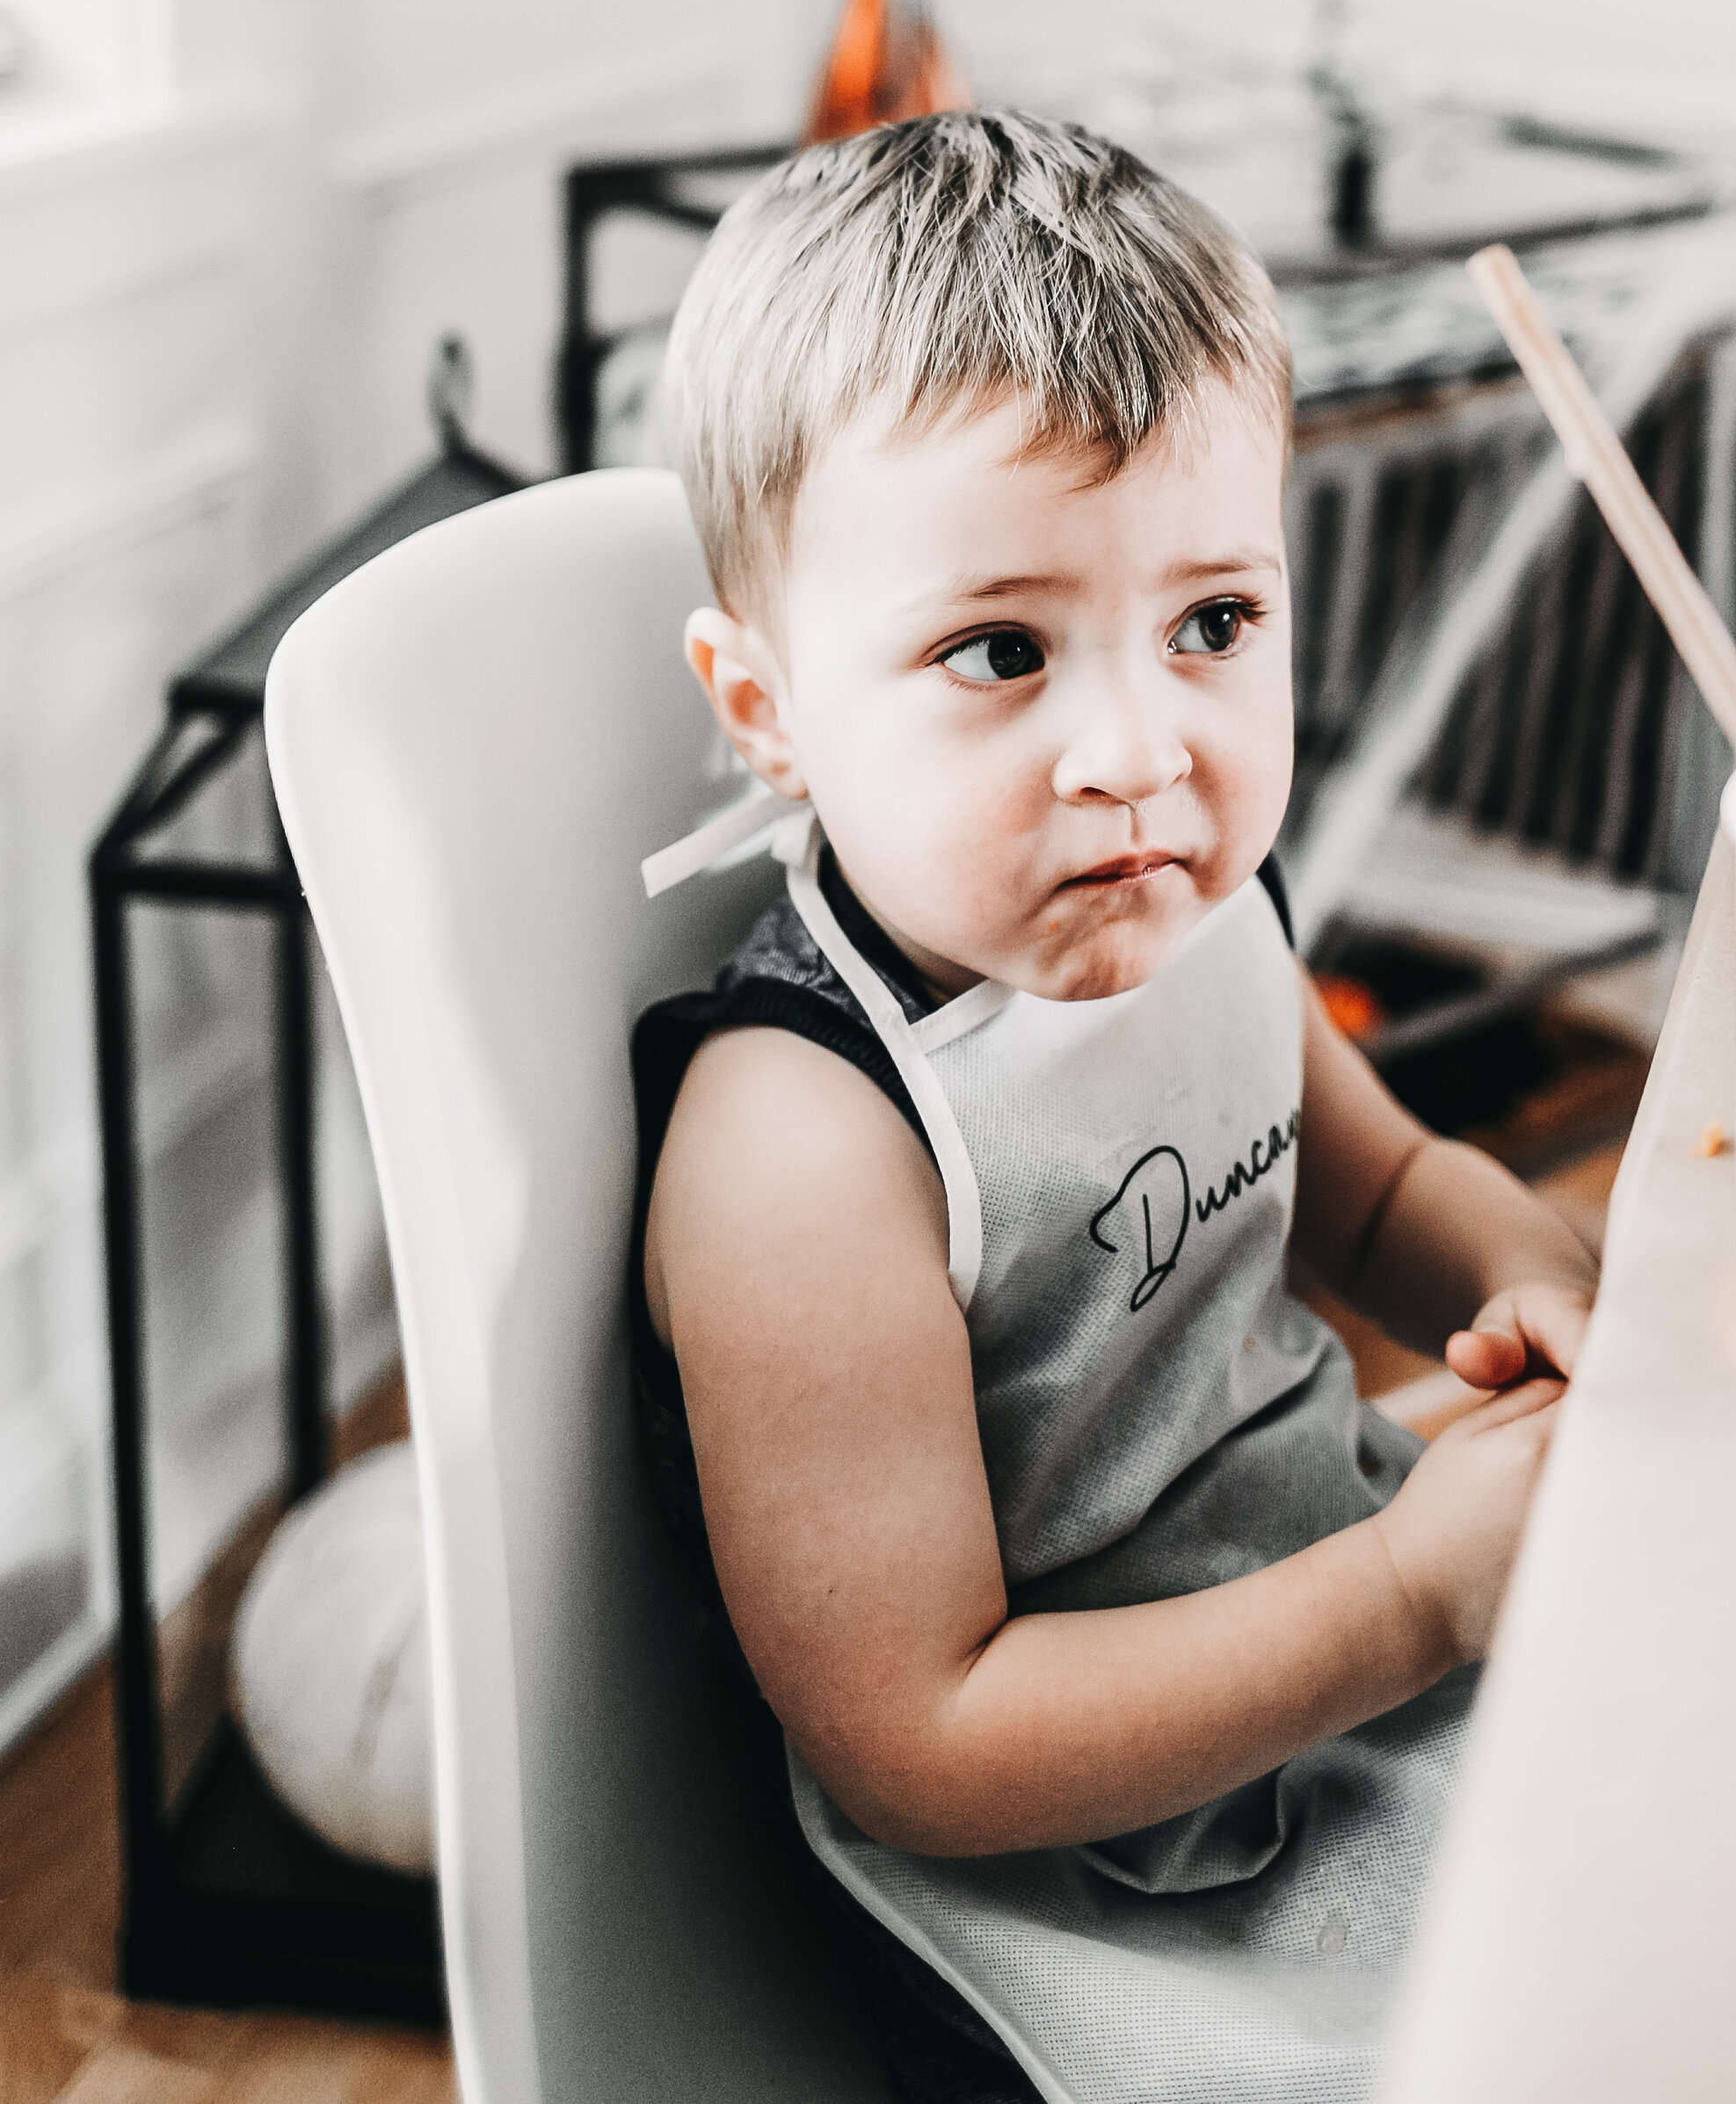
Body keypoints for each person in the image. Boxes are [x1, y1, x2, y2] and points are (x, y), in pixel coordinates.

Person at [632, 112, 1598, 2104]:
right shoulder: (804, 1148)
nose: (1141, 750)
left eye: (1212, 625)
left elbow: (1383, 1184)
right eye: (999, 650)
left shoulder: (1196, 904)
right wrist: (1414, 1595)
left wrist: (1521, 1266)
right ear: (767, 713)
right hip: (1083, 1852)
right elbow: (920, 1740)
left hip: (1325, 1612)